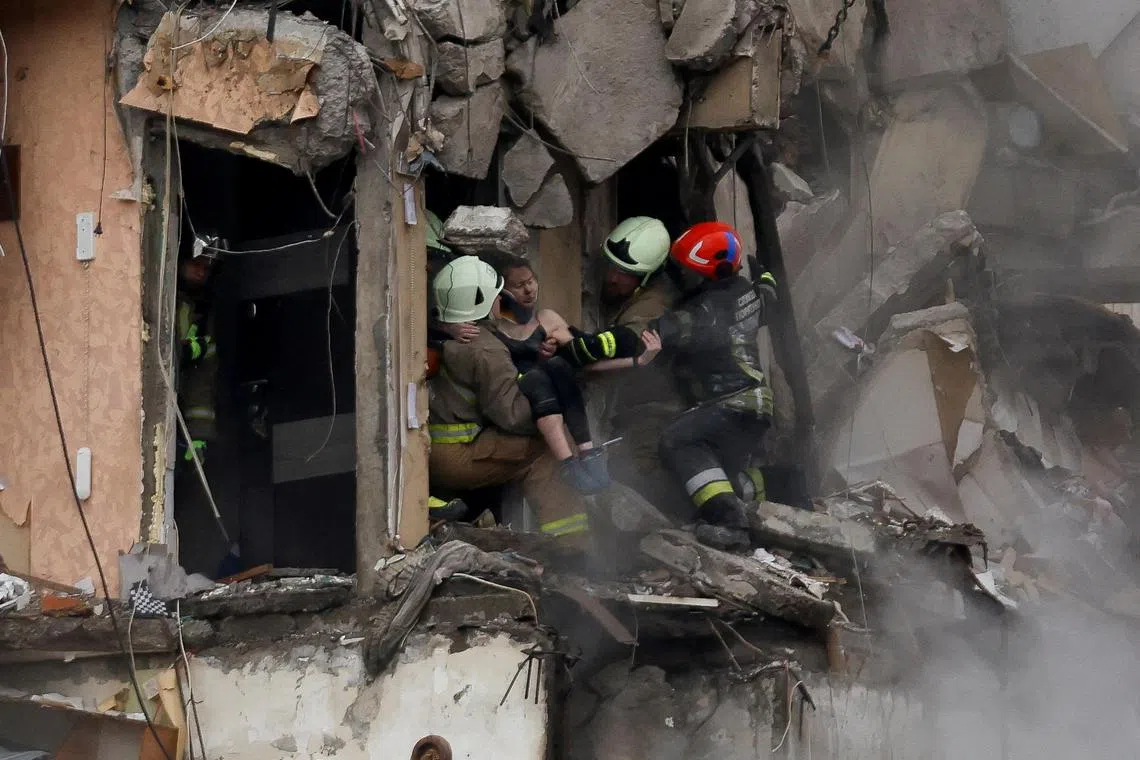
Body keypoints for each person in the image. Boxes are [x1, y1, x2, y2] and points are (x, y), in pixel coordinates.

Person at [426, 255, 595, 542]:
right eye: (496, 295)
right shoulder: (485, 350)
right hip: (457, 455)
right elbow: (513, 417)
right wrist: (551, 402)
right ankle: (572, 545)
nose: (501, 301)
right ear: (481, 302)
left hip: (434, 450)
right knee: (548, 448)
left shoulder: (444, 332)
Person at [653, 221, 779, 551]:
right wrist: (764, 277)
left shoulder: (705, 310)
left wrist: (585, 345)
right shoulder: (747, 294)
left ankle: (730, 524)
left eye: (684, 270)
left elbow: (659, 335)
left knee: (678, 440)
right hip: (756, 402)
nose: (679, 277)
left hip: (731, 401)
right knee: (726, 467)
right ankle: (760, 516)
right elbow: (768, 299)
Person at [591, 217, 689, 514]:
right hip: (637, 409)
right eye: (610, 267)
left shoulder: (653, 305)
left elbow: (628, 342)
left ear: (646, 279)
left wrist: (578, 347)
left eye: (624, 275)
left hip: (654, 413)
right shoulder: (632, 293)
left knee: (639, 479)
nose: (611, 278)